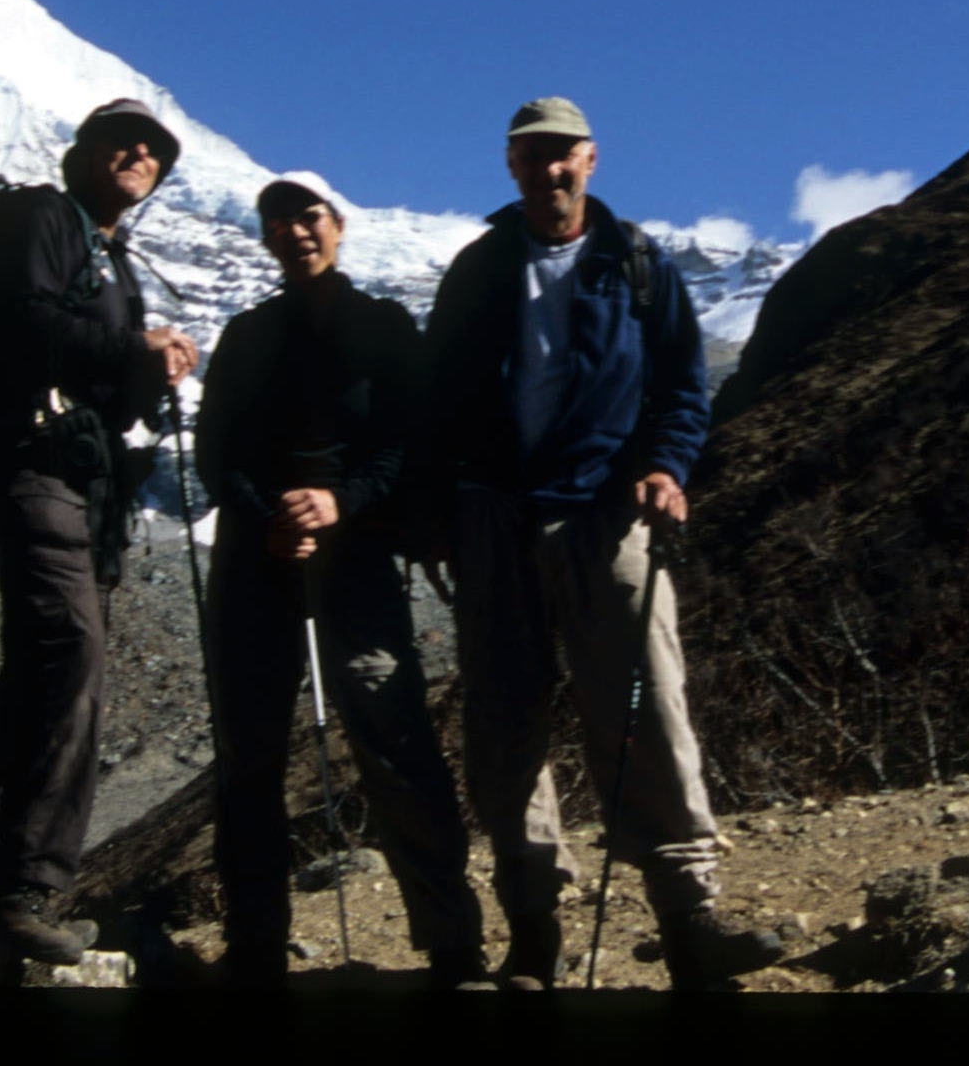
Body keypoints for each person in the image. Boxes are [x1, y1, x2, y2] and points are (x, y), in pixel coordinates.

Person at [415, 97, 777, 990]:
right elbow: (438, 400)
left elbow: (683, 389)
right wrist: (436, 512)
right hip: (494, 517)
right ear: (511, 165)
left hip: (604, 514)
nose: (550, 171)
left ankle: (691, 917)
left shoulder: (638, 265)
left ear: (591, 159)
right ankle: (534, 931)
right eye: (532, 157)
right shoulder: (479, 269)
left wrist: (665, 465)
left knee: (648, 711)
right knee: (505, 728)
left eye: (562, 155)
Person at [194, 173, 490, 989]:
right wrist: (271, 518)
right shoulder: (246, 334)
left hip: (355, 556)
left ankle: (450, 939)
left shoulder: (384, 327)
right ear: (264, 236)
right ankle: (255, 943)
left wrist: (341, 502)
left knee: (392, 732)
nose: (294, 230)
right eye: (277, 219)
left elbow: (408, 441)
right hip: (257, 560)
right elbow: (217, 450)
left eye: (308, 215)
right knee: (247, 752)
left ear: (338, 225)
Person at [0, 98, 200, 969]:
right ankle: (26, 887)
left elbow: (107, 379)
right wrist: (135, 342)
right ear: (83, 153)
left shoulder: (112, 255)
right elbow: (22, 321)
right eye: (122, 141)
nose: (140, 155)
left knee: (50, 667)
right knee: (68, 654)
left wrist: (148, 364)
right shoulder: (44, 218)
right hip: (35, 465)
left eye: (155, 149)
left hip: (86, 488)